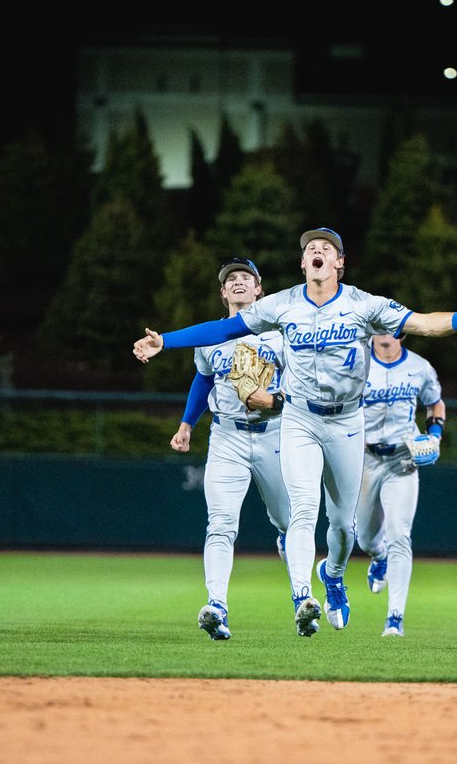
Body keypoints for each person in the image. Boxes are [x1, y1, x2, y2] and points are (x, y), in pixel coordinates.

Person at [134, 227, 457, 638]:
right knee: (303, 509)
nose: (318, 251)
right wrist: (167, 340)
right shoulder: (283, 305)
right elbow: (224, 331)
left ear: (339, 263)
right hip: (299, 419)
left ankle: (334, 578)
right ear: (303, 263)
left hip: (345, 422)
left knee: (343, 525)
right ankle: (303, 596)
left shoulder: (363, 304)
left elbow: (424, 324)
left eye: (327, 248)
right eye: (311, 249)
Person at [169, 257, 290, 641]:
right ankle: (216, 606)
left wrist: (274, 401)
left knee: (291, 523)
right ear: (223, 293)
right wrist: (187, 424)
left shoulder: (279, 334)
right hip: (227, 437)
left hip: (276, 434)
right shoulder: (210, 336)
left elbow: (303, 386)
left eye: (246, 278)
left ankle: (303, 594)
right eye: (231, 279)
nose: (238, 282)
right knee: (220, 524)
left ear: (259, 290)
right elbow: (203, 381)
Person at [357, 333, 445, 637]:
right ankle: (378, 557)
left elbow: (435, 404)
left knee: (400, 534)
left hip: (403, 458)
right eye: (378, 325)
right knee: (366, 539)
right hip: (365, 458)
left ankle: (395, 618)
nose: (383, 331)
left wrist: (435, 435)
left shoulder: (419, 367)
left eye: (389, 325)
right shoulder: (356, 363)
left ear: (401, 332)